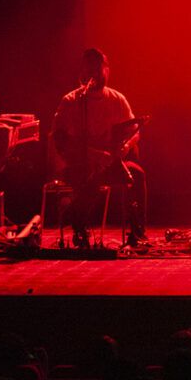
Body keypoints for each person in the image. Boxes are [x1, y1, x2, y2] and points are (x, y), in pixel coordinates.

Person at [50, 48, 145, 247]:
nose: (94, 73)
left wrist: (126, 147)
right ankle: (80, 227)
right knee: (87, 179)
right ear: (82, 72)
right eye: (90, 68)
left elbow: (135, 131)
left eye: (98, 68)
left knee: (137, 174)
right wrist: (92, 155)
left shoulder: (117, 99)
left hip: (110, 162)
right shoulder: (71, 102)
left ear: (106, 71)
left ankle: (137, 232)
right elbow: (59, 139)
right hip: (79, 164)